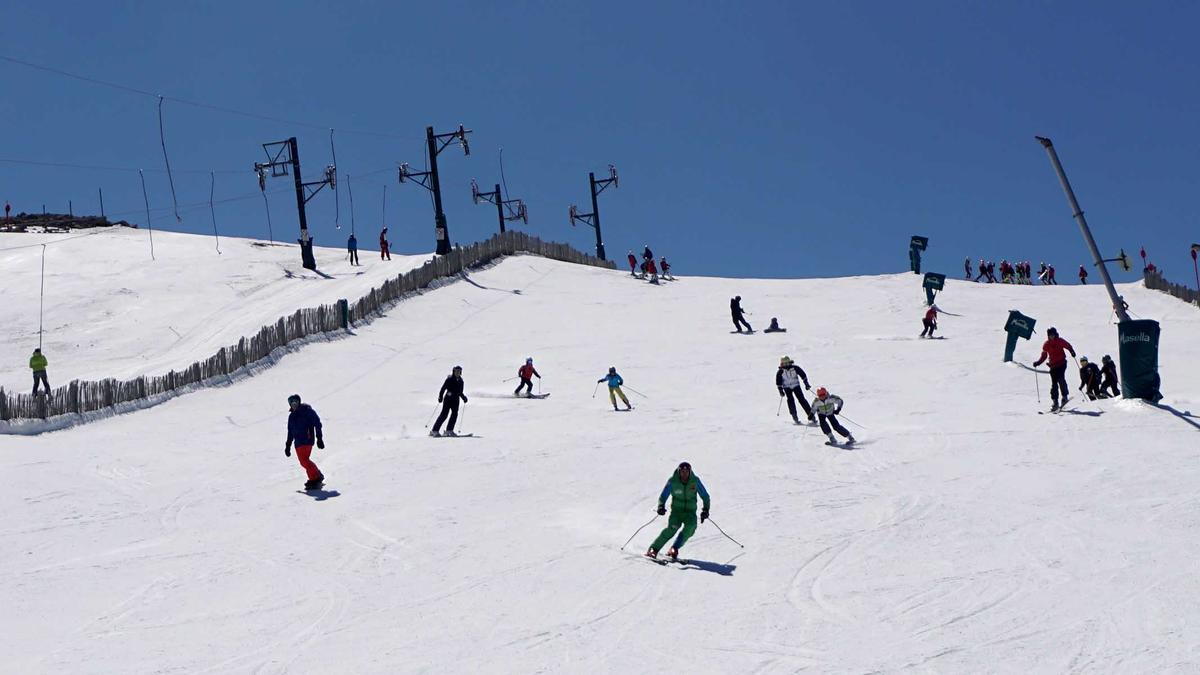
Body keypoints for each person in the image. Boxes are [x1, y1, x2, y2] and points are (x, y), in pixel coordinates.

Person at [646, 461, 711, 561]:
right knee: (672, 528)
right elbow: (663, 496)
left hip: (690, 512)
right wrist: (661, 506)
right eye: (682, 472)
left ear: (690, 472)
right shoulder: (672, 481)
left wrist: (706, 510)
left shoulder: (695, 481)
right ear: (678, 472)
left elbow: (705, 496)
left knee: (691, 527)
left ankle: (674, 548)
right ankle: (653, 549)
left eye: (686, 472)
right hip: (677, 512)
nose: (684, 474)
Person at [285, 394, 325, 489]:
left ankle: (315, 478)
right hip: (298, 443)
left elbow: (317, 423)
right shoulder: (291, 417)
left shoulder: (306, 411)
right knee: (303, 462)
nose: (294, 405)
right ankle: (316, 475)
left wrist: (319, 438)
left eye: (295, 402)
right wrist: (288, 445)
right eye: (292, 403)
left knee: (304, 460)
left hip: (307, 439)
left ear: (299, 402)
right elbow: (290, 432)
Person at [1032, 326, 1076, 412]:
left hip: (1062, 363)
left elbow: (1068, 346)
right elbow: (1044, 356)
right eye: (1050, 335)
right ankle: (1055, 401)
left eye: (1052, 335)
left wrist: (1072, 351)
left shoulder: (1060, 341)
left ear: (1055, 334)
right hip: (1053, 366)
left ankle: (1064, 396)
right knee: (1054, 384)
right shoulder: (1046, 345)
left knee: (1061, 379)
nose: (1051, 336)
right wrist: (1038, 362)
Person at [431, 365, 468, 437]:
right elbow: (443, 388)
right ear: (453, 371)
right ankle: (434, 430)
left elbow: (460, 392)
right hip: (448, 399)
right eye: (456, 371)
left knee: (454, 414)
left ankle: (449, 430)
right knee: (444, 415)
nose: (457, 373)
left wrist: (464, 398)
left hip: (456, 400)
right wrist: (440, 397)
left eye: (459, 371)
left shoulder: (461, 381)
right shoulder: (449, 379)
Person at [776, 356, 814, 424]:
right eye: (784, 363)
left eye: (787, 363)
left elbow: (803, 375)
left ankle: (811, 416)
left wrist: (806, 383)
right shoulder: (780, 371)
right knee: (791, 401)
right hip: (787, 387)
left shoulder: (795, 368)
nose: (786, 365)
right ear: (781, 364)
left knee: (802, 400)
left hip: (796, 385)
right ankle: (794, 416)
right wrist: (780, 390)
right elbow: (778, 382)